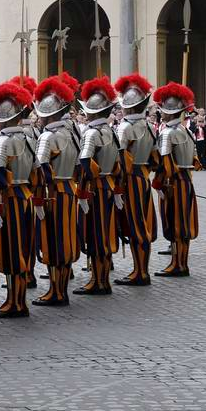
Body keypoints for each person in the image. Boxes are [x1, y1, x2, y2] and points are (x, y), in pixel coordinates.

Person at [0, 81, 36, 318]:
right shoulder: (29, 137)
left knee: (12, 251)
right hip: (26, 197)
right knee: (23, 250)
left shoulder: (4, 140)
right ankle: (18, 299)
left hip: (10, 201)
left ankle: (15, 302)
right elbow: (38, 172)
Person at [31, 75, 80, 307]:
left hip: (53, 194)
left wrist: (39, 199)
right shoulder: (71, 133)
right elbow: (81, 166)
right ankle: (61, 289)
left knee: (53, 241)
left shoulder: (47, 137)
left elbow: (42, 172)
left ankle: (56, 291)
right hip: (69, 190)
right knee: (66, 240)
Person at [73, 77, 121, 295]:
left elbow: (84, 163)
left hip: (95, 189)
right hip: (109, 185)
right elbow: (119, 163)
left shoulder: (91, 133)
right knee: (106, 232)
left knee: (95, 233)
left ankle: (98, 280)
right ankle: (102, 279)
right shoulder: (111, 131)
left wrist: (83, 190)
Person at [151, 82, 199, 277]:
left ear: (169, 113)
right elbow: (195, 160)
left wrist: (158, 182)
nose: (161, 114)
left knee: (175, 223)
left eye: (163, 110)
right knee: (184, 224)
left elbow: (165, 163)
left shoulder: (167, 133)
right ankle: (181, 262)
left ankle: (178, 264)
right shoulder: (187, 131)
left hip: (174, 183)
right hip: (187, 181)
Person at [113, 75, 157, 285]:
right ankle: (141, 269)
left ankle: (140, 272)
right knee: (142, 223)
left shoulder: (124, 127)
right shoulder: (149, 126)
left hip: (130, 180)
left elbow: (120, 159)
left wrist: (118, 186)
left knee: (136, 224)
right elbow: (156, 159)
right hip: (143, 178)